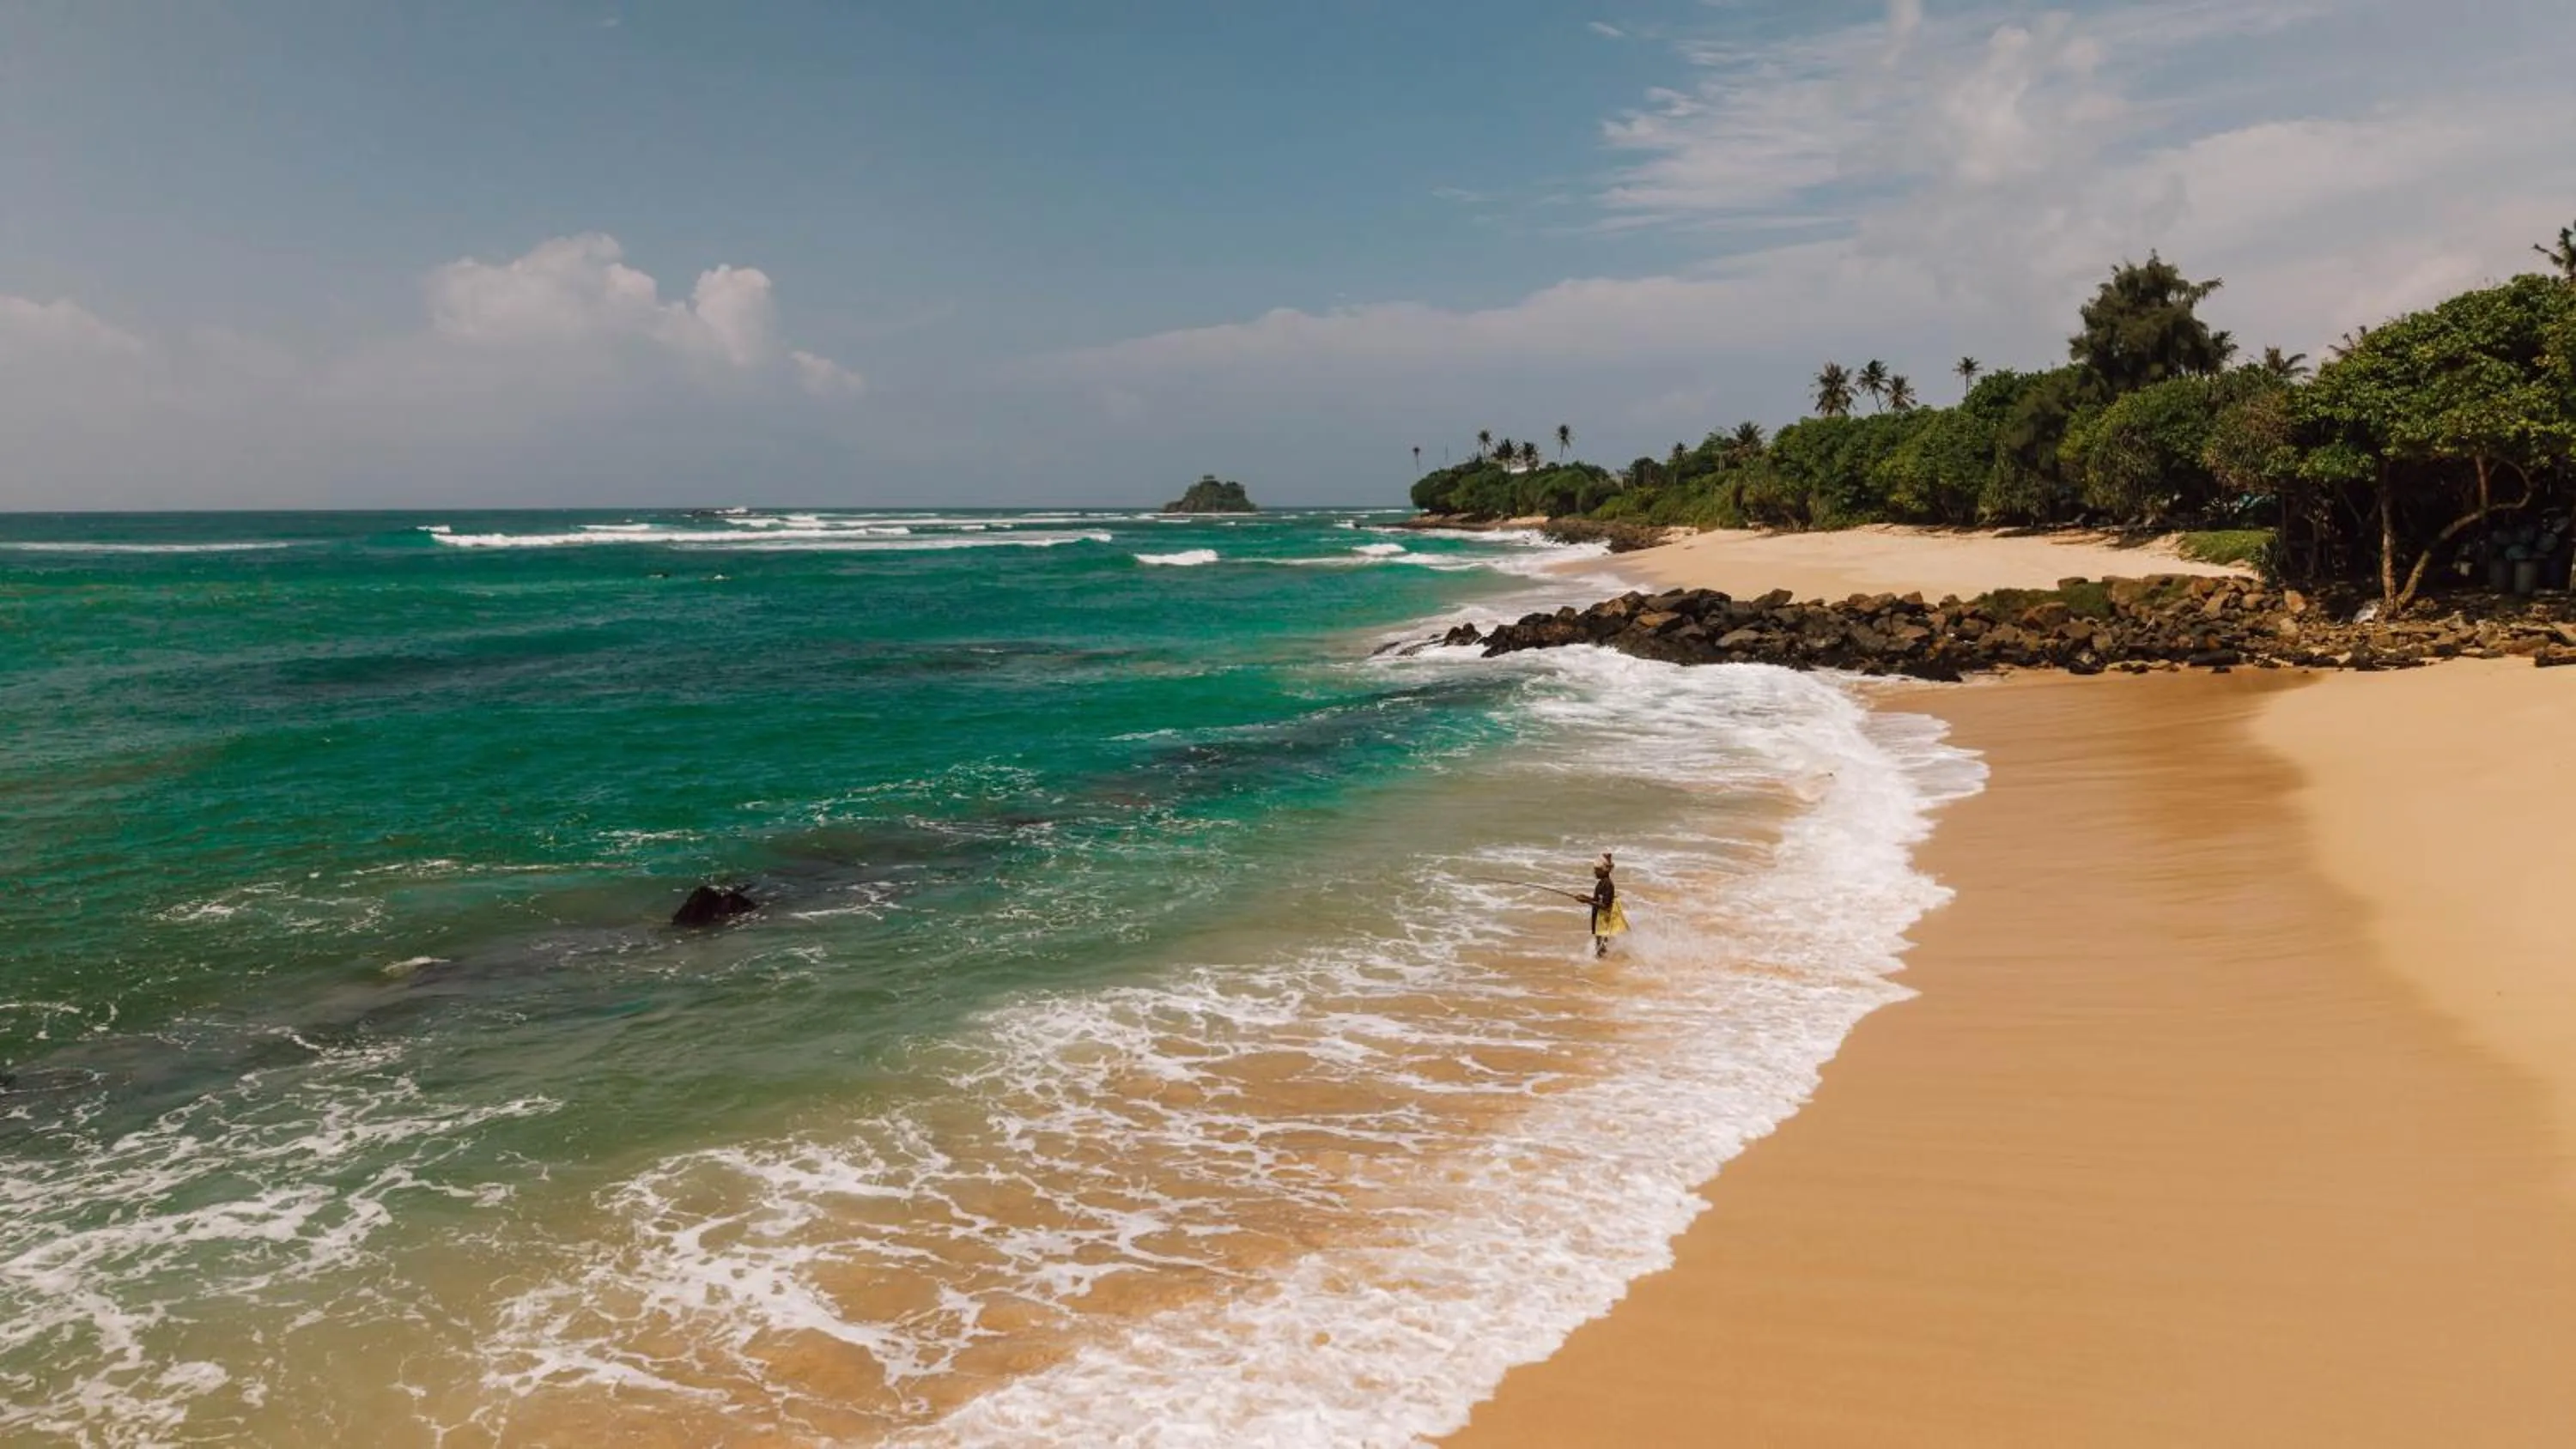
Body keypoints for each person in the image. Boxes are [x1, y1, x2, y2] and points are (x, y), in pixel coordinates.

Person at [1588, 852, 1627, 958]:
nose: (1594, 872)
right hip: (1600, 919)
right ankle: (1602, 962)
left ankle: (1602, 964)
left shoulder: (1608, 884)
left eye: (1596, 870)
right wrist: (1585, 898)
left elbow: (1605, 905)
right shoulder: (1602, 883)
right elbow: (1598, 900)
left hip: (1604, 920)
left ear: (1603, 870)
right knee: (1599, 944)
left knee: (1601, 945)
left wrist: (1586, 900)